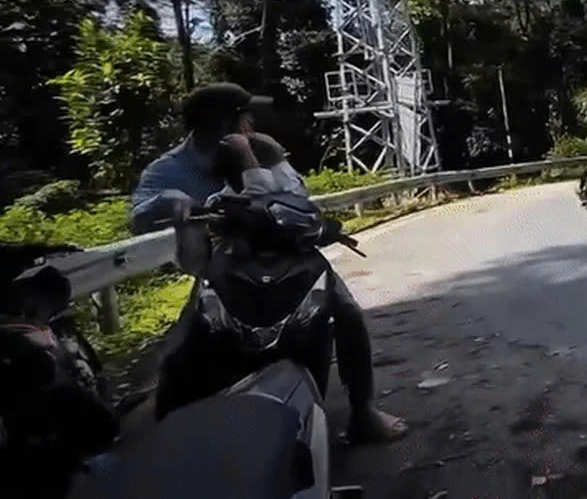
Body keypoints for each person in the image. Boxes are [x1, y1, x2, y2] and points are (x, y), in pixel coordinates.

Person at [130, 83, 407, 443]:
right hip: (224, 264)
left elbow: (297, 196)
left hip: (290, 254)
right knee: (178, 349)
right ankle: (168, 438)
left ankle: (364, 412)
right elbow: (138, 216)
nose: (250, 121)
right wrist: (169, 200)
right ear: (221, 123)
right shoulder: (169, 169)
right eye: (243, 116)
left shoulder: (262, 147)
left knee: (348, 313)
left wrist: (258, 159)